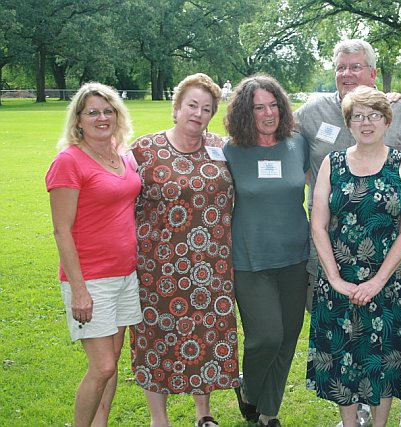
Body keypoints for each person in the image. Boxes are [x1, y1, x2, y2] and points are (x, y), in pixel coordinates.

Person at [295, 38, 401, 427]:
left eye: (356, 67)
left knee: (393, 344)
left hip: (389, 266)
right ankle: (351, 419)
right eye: (341, 67)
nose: (348, 74)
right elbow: (271, 125)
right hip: (336, 263)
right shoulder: (314, 118)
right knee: (345, 346)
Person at [129, 73, 239, 427]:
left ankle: (203, 414)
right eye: (192, 105)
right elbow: (119, 198)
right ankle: (158, 419)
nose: (198, 114)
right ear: (176, 107)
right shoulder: (144, 150)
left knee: (205, 334)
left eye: (206, 108)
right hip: (160, 266)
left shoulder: (222, 148)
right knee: (156, 339)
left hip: (213, 264)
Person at [45, 82, 142, 427]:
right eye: (93, 112)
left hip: (125, 274)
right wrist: (80, 289)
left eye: (108, 110)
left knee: (113, 361)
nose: (102, 117)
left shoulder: (120, 153)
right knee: (101, 366)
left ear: (117, 114)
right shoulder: (68, 162)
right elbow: (61, 231)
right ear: (79, 120)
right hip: (90, 279)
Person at [223, 75, 310, 427]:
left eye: (273, 105)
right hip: (250, 260)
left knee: (288, 338)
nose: (268, 113)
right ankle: (248, 392)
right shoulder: (229, 151)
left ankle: (268, 414)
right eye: (259, 107)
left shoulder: (298, 143)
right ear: (246, 112)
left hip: (296, 258)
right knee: (265, 337)